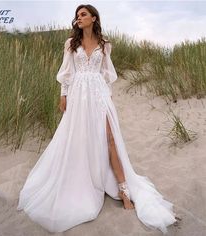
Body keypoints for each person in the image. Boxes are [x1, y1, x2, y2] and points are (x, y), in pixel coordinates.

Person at [17, 4, 177, 234]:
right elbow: (67, 72)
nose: (79, 18)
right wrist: (64, 95)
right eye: (77, 15)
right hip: (78, 95)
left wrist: (106, 99)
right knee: (80, 138)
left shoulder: (105, 44)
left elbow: (106, 74)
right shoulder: (70, 43)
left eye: (83, 14)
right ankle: (83, 180)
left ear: (93, 18)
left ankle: (124, 190)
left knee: (109, 138)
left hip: (99, 95)